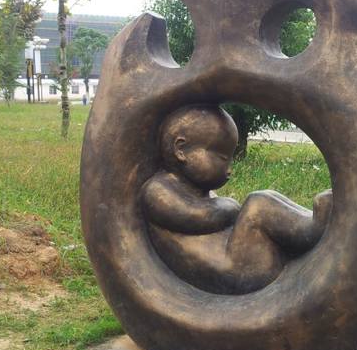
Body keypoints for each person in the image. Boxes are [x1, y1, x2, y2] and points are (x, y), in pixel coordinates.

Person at [141, 104, 332, 294]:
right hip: (235, 270)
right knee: (258, 205)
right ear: (181, 149)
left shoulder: (196, 191)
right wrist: (231, 206)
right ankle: (312, 228)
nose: (229, 169)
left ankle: (308, 222)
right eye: (222, 158)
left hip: (238, 260)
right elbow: (200, 216)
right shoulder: (158, 191)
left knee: (266, 197)